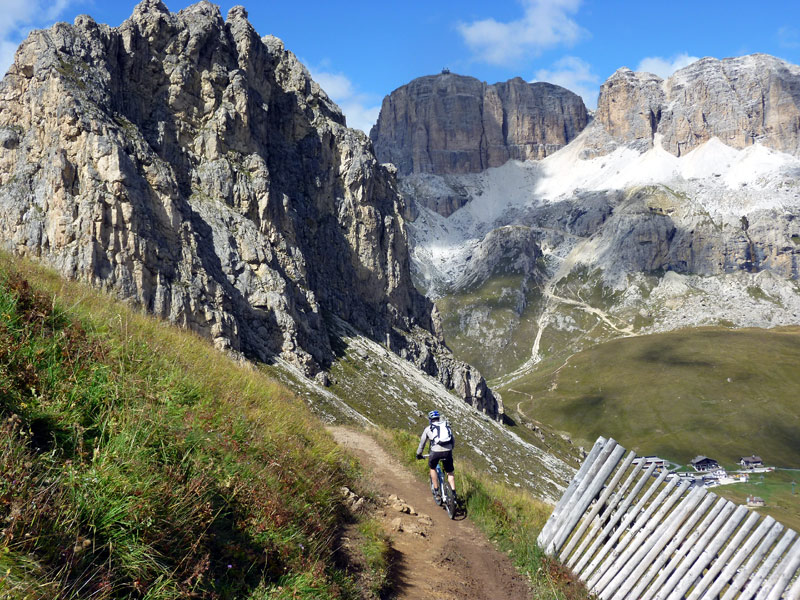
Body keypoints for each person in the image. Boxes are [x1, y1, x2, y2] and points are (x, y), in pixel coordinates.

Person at [416, 410, 460, 506]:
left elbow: (422, 443)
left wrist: (419, 454)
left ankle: (436, 492)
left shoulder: (428, 429)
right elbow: (452, 439)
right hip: (448, 451)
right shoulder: (446, 426)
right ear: (439, 419)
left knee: (432, 468)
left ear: (430, 420)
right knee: (450, 472)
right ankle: (453, 493)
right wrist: (450, 448)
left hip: (435, 452)